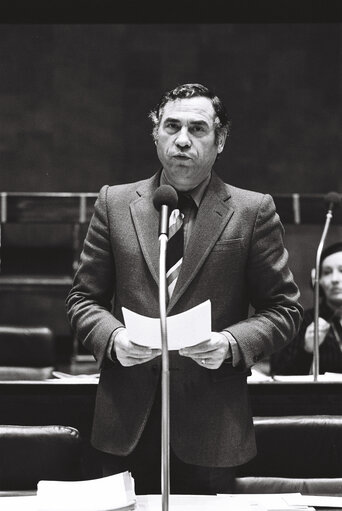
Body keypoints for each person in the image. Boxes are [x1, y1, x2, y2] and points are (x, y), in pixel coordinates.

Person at [66, 83, 302, 494]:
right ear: (155, 134)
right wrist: (112, 336)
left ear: (220, 140)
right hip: (124, 424)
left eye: (198, 129)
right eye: (171, 126)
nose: (182, 140)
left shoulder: (252, 210)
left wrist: (231, 342)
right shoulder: (115, 204)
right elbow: (83, 299)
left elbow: (284, 309)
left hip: (212, 429)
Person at [271, 241, 342, 375]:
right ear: (317, 280)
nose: (334, 279)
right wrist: (307, 349)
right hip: (320, 396)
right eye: (327, 272)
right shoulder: (301, 321)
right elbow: (278, 374)